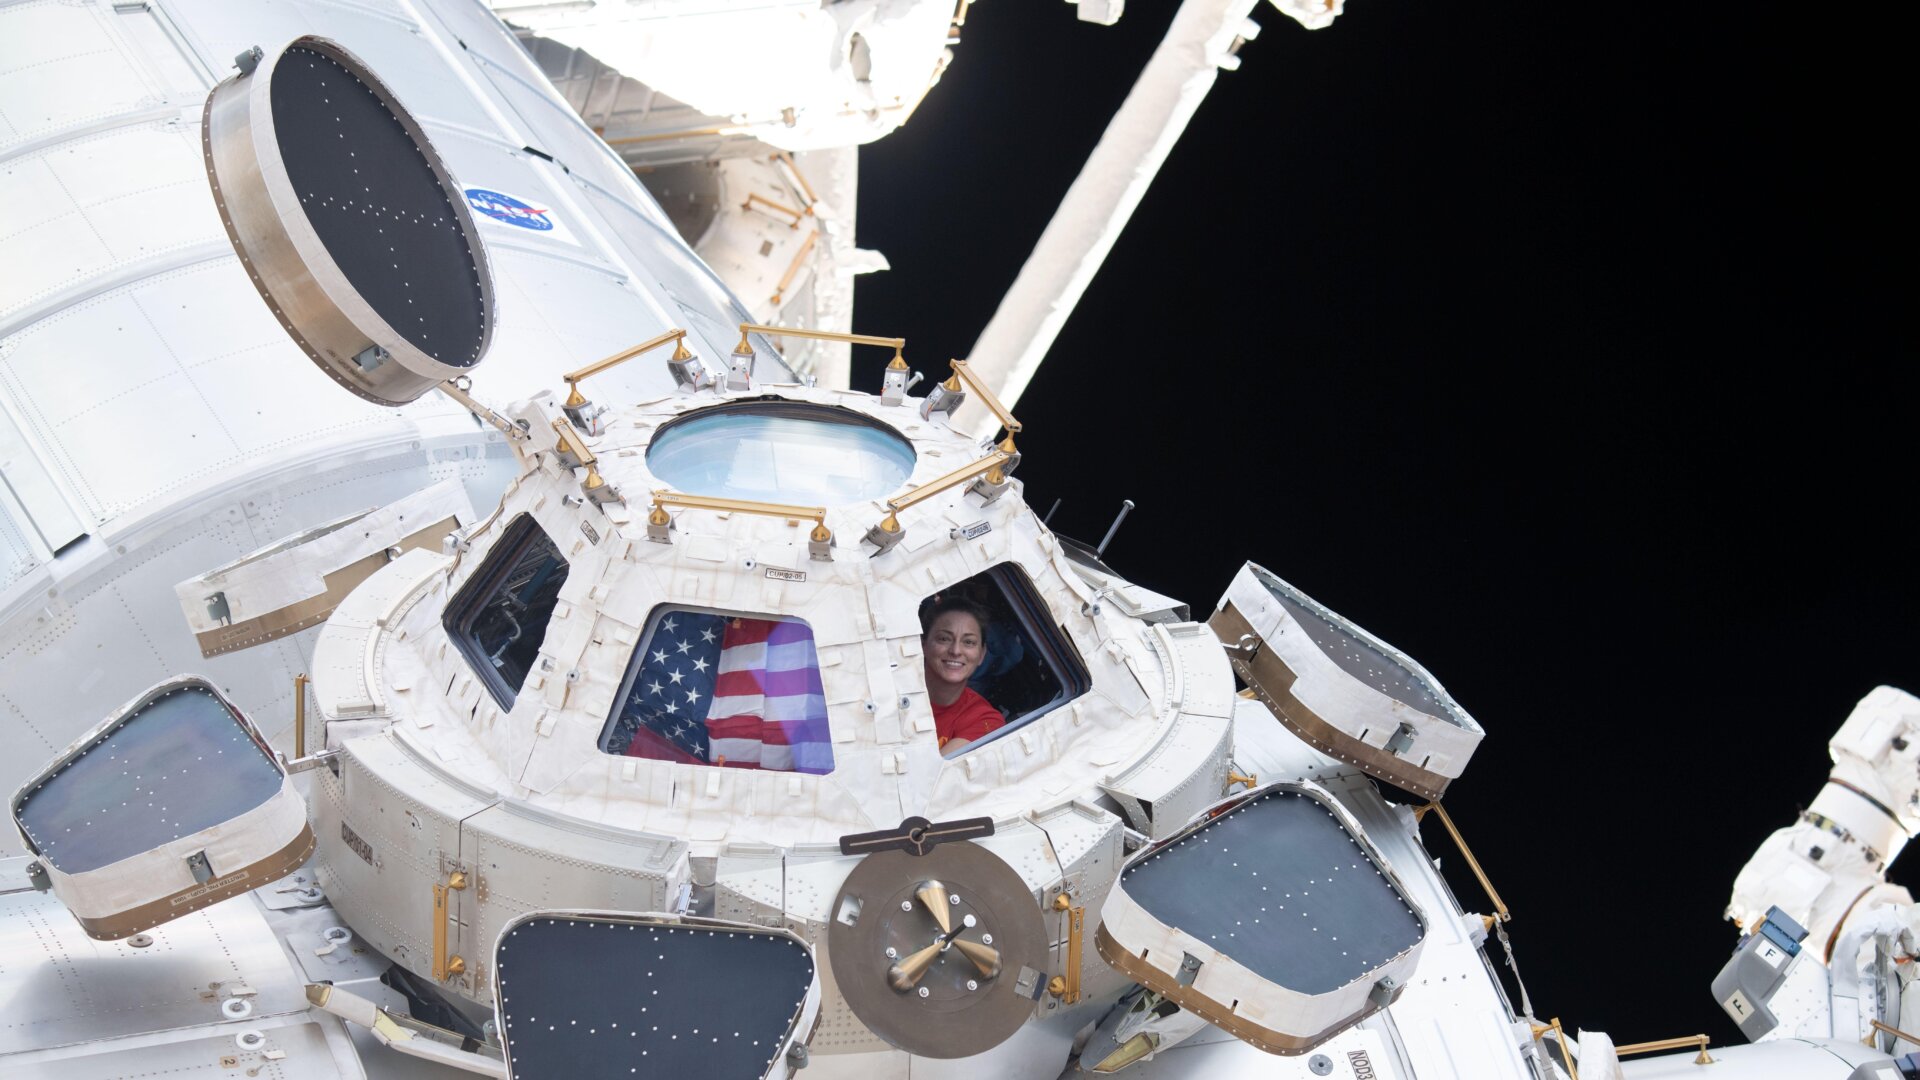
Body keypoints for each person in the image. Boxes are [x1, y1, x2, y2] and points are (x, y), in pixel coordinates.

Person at [921, 596, 1004, 756]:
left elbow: (932, 776)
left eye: (969, 642)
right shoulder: (887, 695)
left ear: (982, 654)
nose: (956, 651)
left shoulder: (985, 720)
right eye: (944, 639)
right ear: (923, 644)